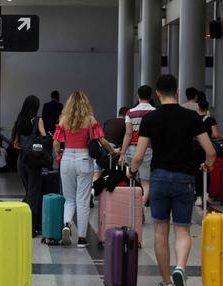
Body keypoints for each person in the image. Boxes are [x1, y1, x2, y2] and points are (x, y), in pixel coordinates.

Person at [129, 74, 216, 286]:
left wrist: (132, 171)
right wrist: (208, 165)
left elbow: (139, 156)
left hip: (159, 177)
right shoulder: (191, 116)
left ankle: (167, 281)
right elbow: (211, 151)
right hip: (184, 178)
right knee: (183, 229)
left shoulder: (151, 119)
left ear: (157, 94)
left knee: (160, 231)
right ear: (177, 91)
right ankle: (180, 268)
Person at [52, 91, 118, 248]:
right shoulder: (90, 120)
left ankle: (67, 224)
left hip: (67, 158)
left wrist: (59, 154)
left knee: (69, 199)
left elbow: (56, 142)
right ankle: (82, 238)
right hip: (83, 159)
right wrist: (112, 151)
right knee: (82, 200)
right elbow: (101, 140)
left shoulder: (64, 120)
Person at [11, 95, 48, 237]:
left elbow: (15, 143)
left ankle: (21, 220)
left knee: (28, 192)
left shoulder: (19, 120)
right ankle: (31, 226)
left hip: (21, 160)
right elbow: (44, 138)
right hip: (34, 161)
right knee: (33, 194)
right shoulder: (38, 120)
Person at [120, 85, 157, 205]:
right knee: (146, 182)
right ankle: (140, 206)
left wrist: (123, 152)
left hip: (131, 149)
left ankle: (133, 207)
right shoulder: (155, 112)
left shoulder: (130, 113)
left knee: (132, 180)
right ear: (151, 96)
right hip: (148, 149)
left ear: (138, 96)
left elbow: (128, 134)